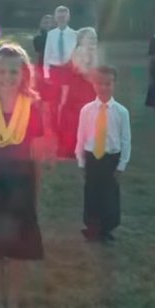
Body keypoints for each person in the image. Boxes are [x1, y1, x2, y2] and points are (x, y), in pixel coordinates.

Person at [0, 44, 48, 308]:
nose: (7, 77)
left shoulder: (33, 110)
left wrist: (35, 193)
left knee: (18, 250)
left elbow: (36, 156)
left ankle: (13, 299)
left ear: (24, 74)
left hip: (21, 186)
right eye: (1, 71)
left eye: (14, 72)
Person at [76, 65, 131, 243]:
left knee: (109, 195)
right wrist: (81, 162)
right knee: (91, 193)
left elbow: (125, 140)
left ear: (114, 84)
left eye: (108, 84)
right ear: (94, 84)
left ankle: (107, 228)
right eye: (100, 83)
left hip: (110, 158)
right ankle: (92, 227)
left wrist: (122, 164)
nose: (104, 88)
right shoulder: (87, 110)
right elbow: (81, 137)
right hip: (92, 157)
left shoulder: (121, 112)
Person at [55, 27, 99, 161]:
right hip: (78, 88)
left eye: (95, 38)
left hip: (89, 87)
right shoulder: (79, 52)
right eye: (90, 38)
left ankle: (86, 146)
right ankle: (70, 149)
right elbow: (82, 71)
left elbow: (95, 69)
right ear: (81, 40)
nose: (93, 41)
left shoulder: (94, 53)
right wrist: (94, 78)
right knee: (76, 118)